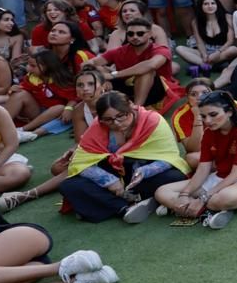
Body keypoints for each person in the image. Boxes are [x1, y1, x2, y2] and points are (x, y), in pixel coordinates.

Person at [144, 92, 237, 230]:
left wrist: (203, 198)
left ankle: (185, 208)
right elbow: (203, 169)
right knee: (162, 191)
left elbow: (236, 174)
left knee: (224, 198)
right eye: (203, 116)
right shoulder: (209, 133)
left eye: (213, 114)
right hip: (220, 176)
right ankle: (207, 211)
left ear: (229, 112)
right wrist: (185, 194)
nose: (208, 121)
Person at [57, 91, 190, 222]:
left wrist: (144, 172)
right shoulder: (98, 126)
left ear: (130, 106)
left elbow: (169, 157)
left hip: (142, 176)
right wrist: (109, 181)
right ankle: (124, 207)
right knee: (68, 185)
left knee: (175, 177)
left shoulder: (152, 120)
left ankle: (110, 204)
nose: (117, 123)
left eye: (121, 115)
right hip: (113, 177)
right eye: (108, 120)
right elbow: (81, 162)